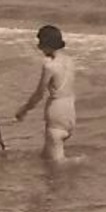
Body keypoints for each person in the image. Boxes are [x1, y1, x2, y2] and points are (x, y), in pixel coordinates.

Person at [15, 24, 77, 162]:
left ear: (46, 44)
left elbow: (39, 94)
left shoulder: (49, 65)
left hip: (56, 113)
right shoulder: (70, 61)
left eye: (40, 43)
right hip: (70, 112)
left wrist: (24, 110)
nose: (39, 47)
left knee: (58, 166)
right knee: (45, 158)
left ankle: (79, 167)